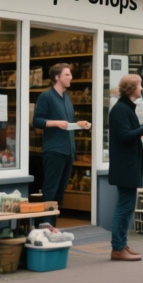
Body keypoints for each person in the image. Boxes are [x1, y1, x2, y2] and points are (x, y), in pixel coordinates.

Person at [107, 74, 143, 261]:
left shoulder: (126, 108)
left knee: (127, 206)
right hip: (125, 166)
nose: (142, 88)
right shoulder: (120, 110)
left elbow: (131, 134)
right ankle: (117, 248)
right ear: (132, 88)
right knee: (124, 207)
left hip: (129, 165)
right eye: (140, 85)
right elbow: (125, 136)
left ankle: (122, 244)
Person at [33, 63, 88, 225]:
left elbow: (67, 123)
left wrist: (80, 124)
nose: (70, 77)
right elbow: (37, 121)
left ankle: (52, 227)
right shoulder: (46, 96)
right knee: (50, 191)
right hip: (54, 150)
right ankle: (45, 227)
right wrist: (56, 123)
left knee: (59, 193)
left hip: (68, 150)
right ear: (57, 77)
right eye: (67, 74)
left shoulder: (67, 98)